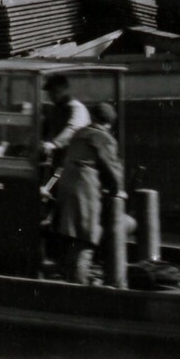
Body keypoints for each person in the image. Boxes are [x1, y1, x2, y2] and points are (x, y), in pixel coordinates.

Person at [51, 101, 124, 284]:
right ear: (109, 123)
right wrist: (119, 191)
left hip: (66, 186)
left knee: (71, 235)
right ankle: (80, 285)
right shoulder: (104, 138)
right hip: (85, 190)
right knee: (86, 237)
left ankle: (70, 278)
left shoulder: (78, 133)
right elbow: (112, 169)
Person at [40, 74, 90, 163]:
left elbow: (73, 128)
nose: (52, 95)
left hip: (75, 159)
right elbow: (47, 129)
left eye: (55, 91)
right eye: (50, 92)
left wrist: (54, 144)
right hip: (58, 156)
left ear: (65, 89)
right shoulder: (55, 109)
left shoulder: (77, 108)